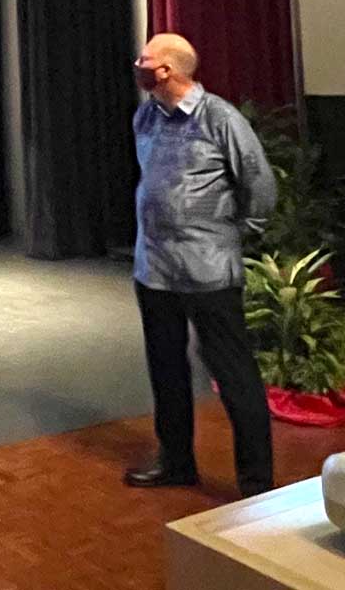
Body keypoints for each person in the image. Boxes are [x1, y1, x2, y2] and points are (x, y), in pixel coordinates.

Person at [125, 33, 278, 498]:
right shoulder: (145, 116)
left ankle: (256, 482)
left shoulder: (221, 119)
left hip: (208, 270)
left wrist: (232, 233)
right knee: (165, 368)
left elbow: (259, 184)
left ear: (168, 70)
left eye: (146, 59)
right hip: (154, 268)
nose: (139, 64)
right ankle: (176, 462)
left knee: (233, 374)